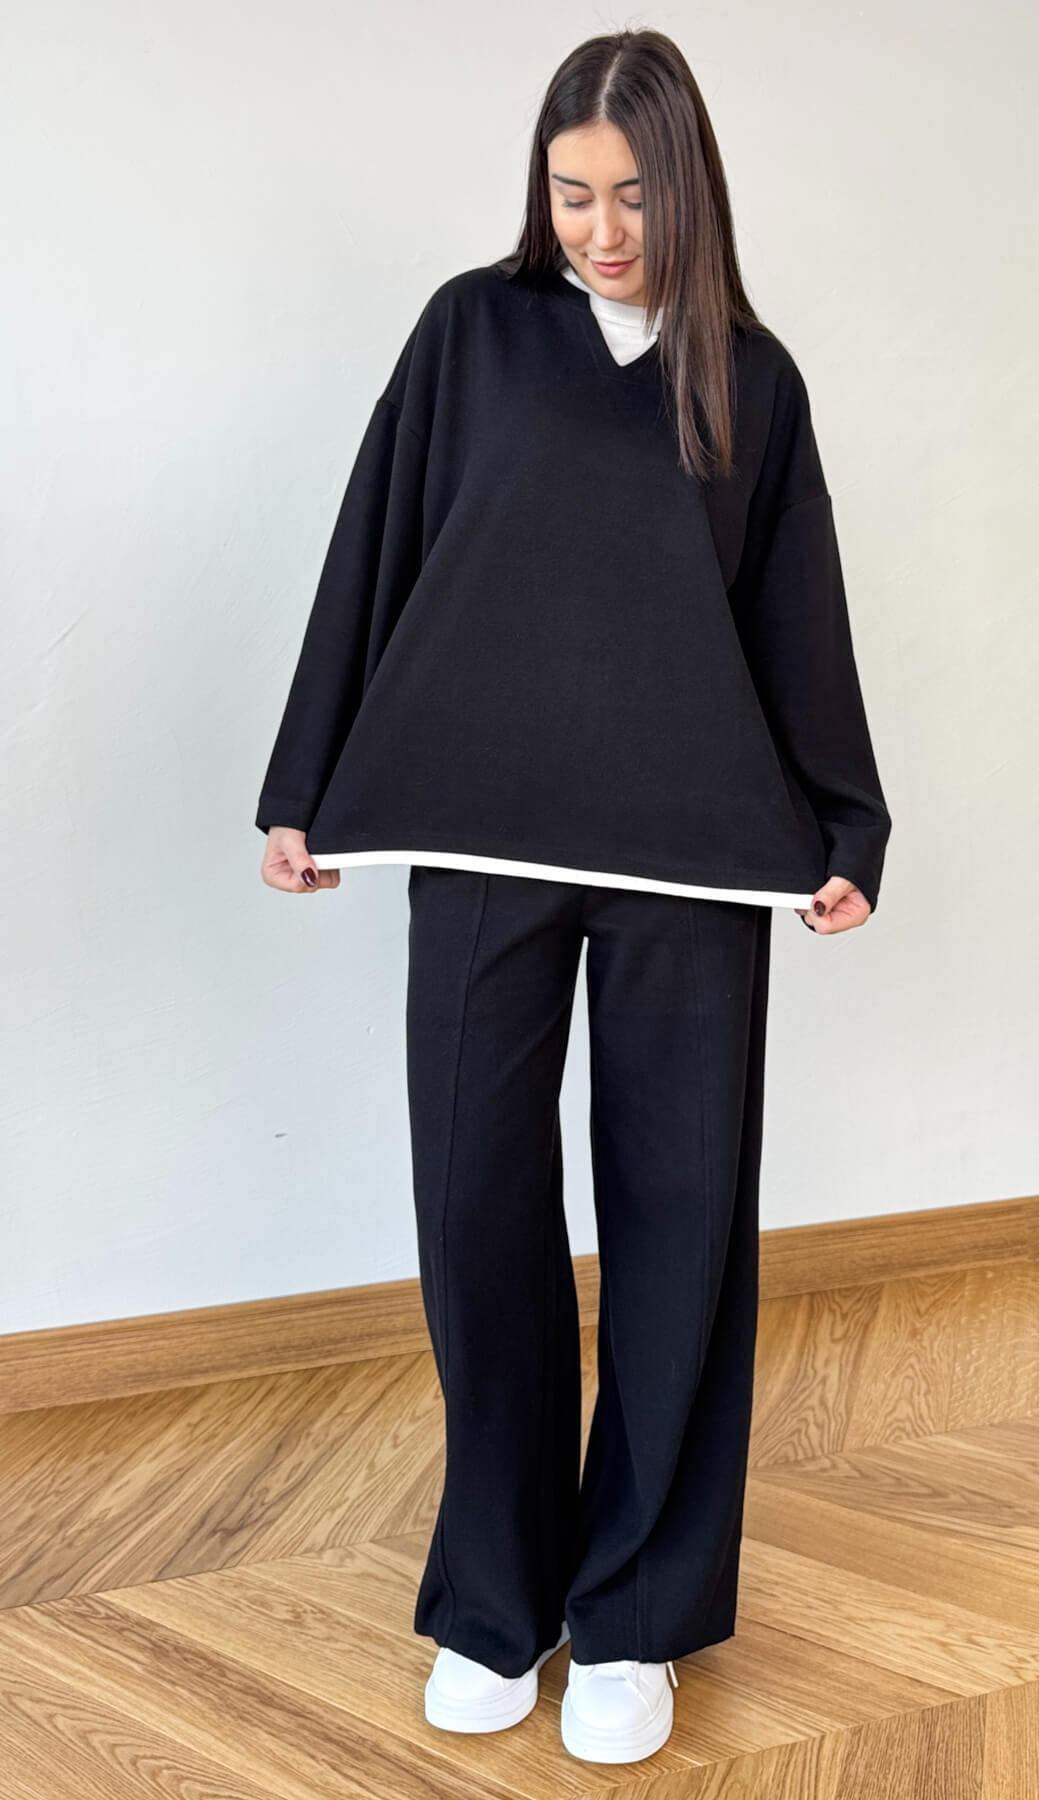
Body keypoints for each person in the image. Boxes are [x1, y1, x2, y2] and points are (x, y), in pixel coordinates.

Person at [254, 27, 891, 1768]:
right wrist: (305, 781)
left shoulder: (753, 379)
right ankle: (497, 1597)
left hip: (696, 854)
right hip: (479, 837)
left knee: (682, 1220)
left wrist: (845, 825)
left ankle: (633, 1615)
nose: (602, 230)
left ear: (691, 189)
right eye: (571, 192)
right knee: (475, 1205)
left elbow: (797, 617)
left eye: (632, 196)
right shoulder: (472, 332)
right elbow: (375, 543)